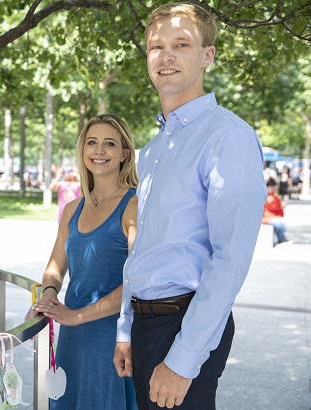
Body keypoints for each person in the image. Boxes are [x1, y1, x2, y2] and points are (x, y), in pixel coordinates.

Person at [113, 3, 266, 410]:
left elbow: (229, 259)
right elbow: (142, 248)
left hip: (186, 324)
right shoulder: (153, 150)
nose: (166, 56)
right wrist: (126, 329)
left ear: (207, 55)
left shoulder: (227, 137)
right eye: (156, 46)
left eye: (181, 44)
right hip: (147, 325)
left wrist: (182, 361)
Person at [31, 114, 139, 410]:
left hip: (112, 337)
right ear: (82, 151)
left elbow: (137, 283)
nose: (99, 151)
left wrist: (78, 315)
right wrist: (49, 297)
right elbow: (54, 269)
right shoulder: (72, 209)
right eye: (92, 143)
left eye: (109, 144)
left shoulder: (134, 206)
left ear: (124, 154)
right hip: (72, 335)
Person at [263, 177, 289, 245]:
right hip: (267, 218)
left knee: (280, 223)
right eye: (271, 187)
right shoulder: (267, 197)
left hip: (273, 217)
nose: (273, 188)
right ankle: (281, 238)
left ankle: (281, 238)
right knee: (279, 224)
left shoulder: (274, 196)